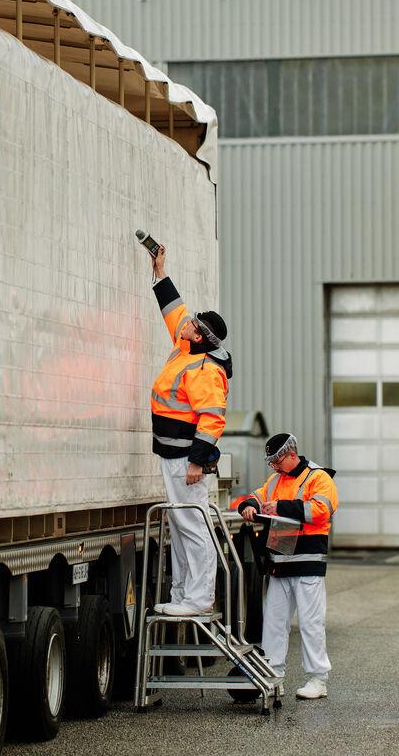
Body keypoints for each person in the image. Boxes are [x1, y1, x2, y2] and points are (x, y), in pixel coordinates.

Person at [146, 244, 232, 616]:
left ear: (201, 336)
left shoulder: (205, 369)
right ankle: (183, 595)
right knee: (180, 524)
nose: (186, 322)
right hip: (172, 455)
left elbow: (213, 420)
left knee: (192, 525)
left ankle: (198, 598)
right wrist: (160, 270)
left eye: (193, 324)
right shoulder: (186, 349)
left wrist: (198, 462)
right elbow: (173, 309)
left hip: (186, 459)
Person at [239, 432, 339, 699]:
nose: (274, 467)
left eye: (276, 462)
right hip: (280, 563)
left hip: (308, 562)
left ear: (291, 455)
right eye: (271, 463)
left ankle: (318, 680)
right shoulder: (275, 480)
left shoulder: (319, 478)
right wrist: (249, 505)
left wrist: (281, 507)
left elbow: (321, 510)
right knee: (274, 622)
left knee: (311, 623)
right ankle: (273, 677)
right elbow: (258, 496)